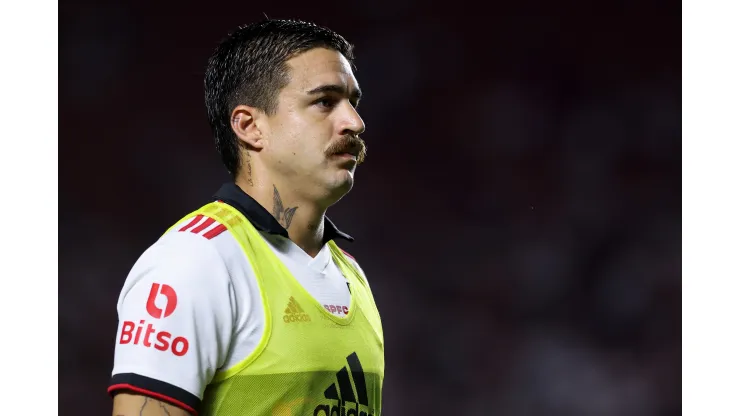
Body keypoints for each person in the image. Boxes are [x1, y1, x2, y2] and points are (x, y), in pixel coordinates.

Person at [109, 19, 384, 416]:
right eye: (325, 101)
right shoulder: (194, 262)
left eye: (352, 103)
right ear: (250, 126)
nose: (354, 123)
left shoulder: (352, 276)